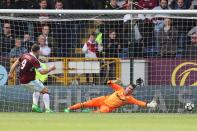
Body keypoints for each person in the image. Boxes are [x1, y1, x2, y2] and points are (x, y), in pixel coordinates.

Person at [8, 44, 56, 113]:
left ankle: (35, 106)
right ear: (38, 51)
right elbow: (42, 72)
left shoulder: (24, 55)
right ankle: (48, 109)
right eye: (39, 52)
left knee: (37, 89)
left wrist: (10, 73)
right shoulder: (34, 60)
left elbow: (15, 63)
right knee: (46, 91)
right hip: (29, 81)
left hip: (21, 81)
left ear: (31, 50)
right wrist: (51, 69)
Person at [64, 79, 157, 113]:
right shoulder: (120, 88)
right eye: (128, 88)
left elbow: (139, 103)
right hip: (102, 100)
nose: (129, 89)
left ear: (132, 91)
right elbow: (108, 82)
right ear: (126, 87)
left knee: (102, 112)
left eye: (131, 89)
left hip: (107, 107)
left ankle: (89, 113)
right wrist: (114, 81)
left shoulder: (129, 99)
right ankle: (69, 108)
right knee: (85, 103)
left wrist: (149, 105)